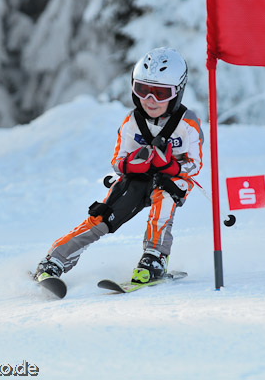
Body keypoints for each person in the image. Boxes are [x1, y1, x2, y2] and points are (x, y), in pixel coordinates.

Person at [34, 47, 204, 284]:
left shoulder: (187, 124)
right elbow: (117, 161)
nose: (150, 100)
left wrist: (171, 166)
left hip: (171, 179)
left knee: (164, 199)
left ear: (177, 93)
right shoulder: (132, 122)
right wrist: (132, 165)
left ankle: (155, 257)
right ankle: (56, 259)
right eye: (143, 90)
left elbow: (194, 165)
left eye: (160, 93)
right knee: (104, 216)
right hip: (139, 178)